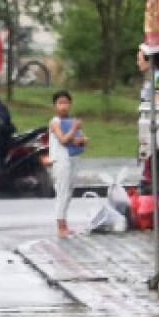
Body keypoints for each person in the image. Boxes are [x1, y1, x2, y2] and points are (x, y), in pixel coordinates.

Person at [47, 90, 87, 238]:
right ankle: (60, 226)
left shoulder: (72, 121)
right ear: (55, 106)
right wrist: (74, 129)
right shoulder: (54, 122)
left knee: (69, 192)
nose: (63, 106)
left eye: (66, 103)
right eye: (60, 103)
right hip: (60, 159)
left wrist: (81, 139)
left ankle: (65, 223)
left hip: (72, 158)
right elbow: (63, 139)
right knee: (62, 191)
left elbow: (79, 139)